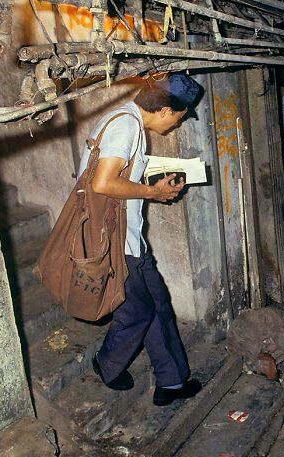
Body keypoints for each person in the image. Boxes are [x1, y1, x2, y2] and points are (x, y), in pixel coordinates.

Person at [77, 73, 203, 407]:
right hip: (115, 242)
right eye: (180, 116)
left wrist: (154, 178)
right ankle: (107, 365)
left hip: (130, 237)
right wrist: (153, 192)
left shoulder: (125, 120)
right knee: (137, 311)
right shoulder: (126, 126)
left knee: (158, 303)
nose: (177, 125)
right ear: (165, 110)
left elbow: (119, 173)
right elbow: (102, 183)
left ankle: (172, 382)